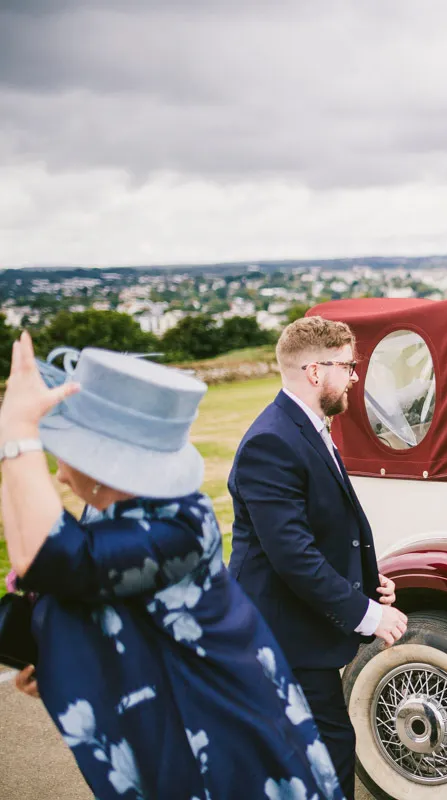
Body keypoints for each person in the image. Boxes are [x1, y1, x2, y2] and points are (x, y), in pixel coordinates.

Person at [1, 335, 343, 800]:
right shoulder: (113, 513)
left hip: (224, 744)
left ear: (105, 463)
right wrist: (62, 657)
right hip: (179, 723)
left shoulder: (180, 524)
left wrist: (16, 433)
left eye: (67, 453)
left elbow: (48, 557)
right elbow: (49, 565)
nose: (60, 471)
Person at [228, 316, 407, 799]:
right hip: (277, 630)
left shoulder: (307, 426)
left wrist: (370, 582)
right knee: (323, 748)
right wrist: (368, 615)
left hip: (298, 624)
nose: (353, 377)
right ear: (314, 371)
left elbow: (331, 525)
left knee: (318, 748)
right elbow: (293, 557)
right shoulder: (271, 442)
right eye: (348, 366)